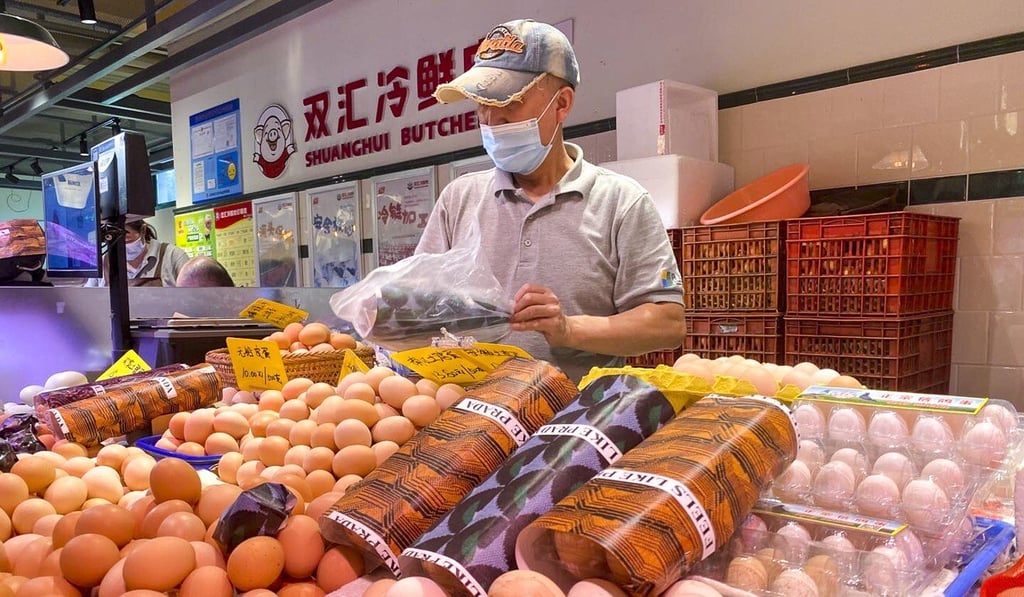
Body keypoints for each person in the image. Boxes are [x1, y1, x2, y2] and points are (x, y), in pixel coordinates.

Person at [416, 19, 686, 381]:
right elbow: (416, 302)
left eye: (508, 103)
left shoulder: (622, 202)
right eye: (481, 105)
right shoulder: (459, 198)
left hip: (576, 422)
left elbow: (667, 323)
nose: (491, 121)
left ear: (561, 104)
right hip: (468, 415)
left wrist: (568, 329)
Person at [85, 220, 189, 287]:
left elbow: (193, 300)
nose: (122, 247)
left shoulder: (173, 256)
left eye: (126, 240)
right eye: (115, 243)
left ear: (143, 230)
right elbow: (89, 302)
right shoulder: (104, 263)